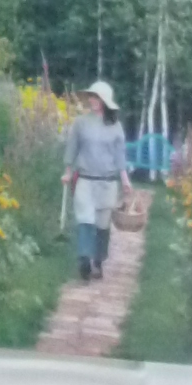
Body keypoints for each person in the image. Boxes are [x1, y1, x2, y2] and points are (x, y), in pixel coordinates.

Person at [63, 81, 130, 282]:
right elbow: (72, 147)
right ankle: (84, 260)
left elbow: (120, 155)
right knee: (85, 219)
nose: (92, 100)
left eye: (97, 97)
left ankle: (98, 261)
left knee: (102, 224)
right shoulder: (81, 123)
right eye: (91, 96)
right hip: (85, 179)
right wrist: (68, 171)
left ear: (105, 101)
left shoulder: (115, 126)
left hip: (107, 182)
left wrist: (125, 179)